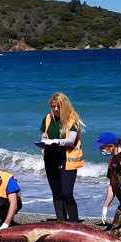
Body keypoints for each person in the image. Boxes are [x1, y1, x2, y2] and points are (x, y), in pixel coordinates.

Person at [39, 92, 85, 222]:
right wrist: (44, 141)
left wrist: (56, 141)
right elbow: (44, 135)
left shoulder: (72, 119)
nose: (55, 109)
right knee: (56, 193)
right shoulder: (47, 118)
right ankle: (61, 221)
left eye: (58, 107)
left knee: (67, 193)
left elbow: (71, 139)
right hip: (50, 159)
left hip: (67, 161)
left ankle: (75, 223)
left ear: (64, 106)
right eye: (53, 106)